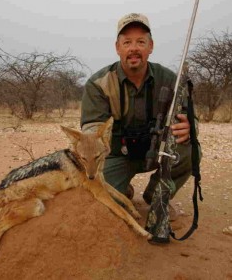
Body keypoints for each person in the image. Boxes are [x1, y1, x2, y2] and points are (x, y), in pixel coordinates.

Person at [80, 13, 194, 213]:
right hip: (118, 155)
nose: (133, 48)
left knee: (191, 148)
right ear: (118, 48)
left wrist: (190, 127)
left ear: (151, 47)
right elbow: (91, 133)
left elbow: (189, 118)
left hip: (157, 151)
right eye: (127, 42)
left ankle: (157, 196)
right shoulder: (98, 84)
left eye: (141, 41)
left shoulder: (170, 80)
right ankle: (122, 189)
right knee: (98, 201)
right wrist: (94, 137)